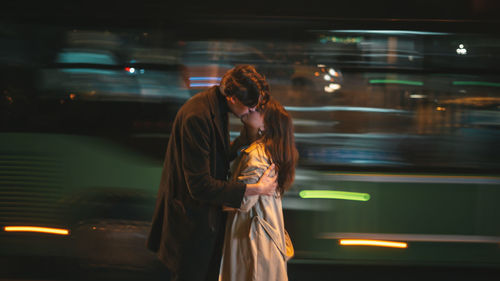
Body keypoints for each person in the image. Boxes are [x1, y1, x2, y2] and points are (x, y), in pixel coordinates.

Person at [146, 65, 278, 281]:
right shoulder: (197, 117)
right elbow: (200, 185)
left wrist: (249, 133)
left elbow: (218, 158)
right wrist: (257, 189)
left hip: (203, 223)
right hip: (190, 227)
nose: (252, 112)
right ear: (233, 98)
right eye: (250, 107)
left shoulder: (216, 106)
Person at [220, 97, 298, 281]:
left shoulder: (256, 156)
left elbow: (238, 202)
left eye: (257, 110)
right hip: (263, 241)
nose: (250, 109)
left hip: (252, 243)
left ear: (265, 125)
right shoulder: (270, 153)